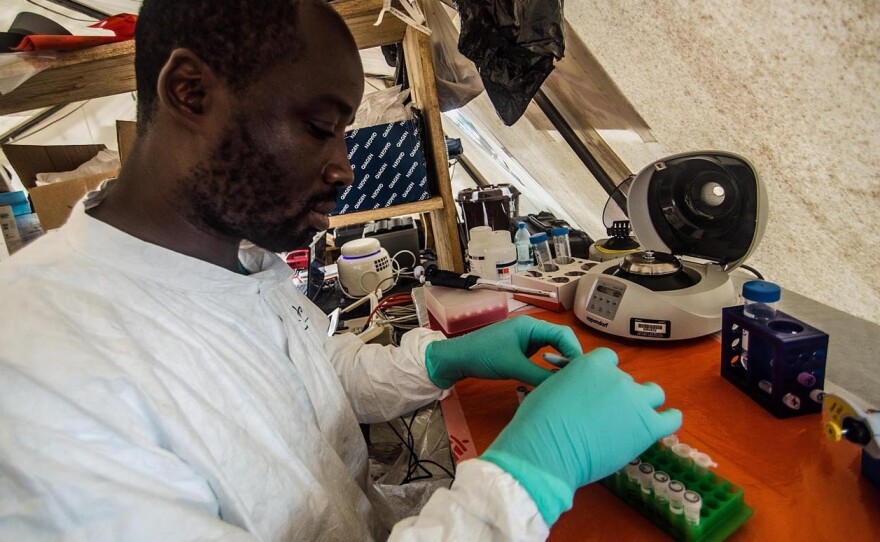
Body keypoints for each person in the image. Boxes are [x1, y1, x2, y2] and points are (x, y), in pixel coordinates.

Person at [0, 1, 681, 540]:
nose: (345, 168)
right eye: (321, 127)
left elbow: (305, 379)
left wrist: (439, 361)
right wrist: (526, 481)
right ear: (190, 92)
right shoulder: (38, 373)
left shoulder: (236, 256)